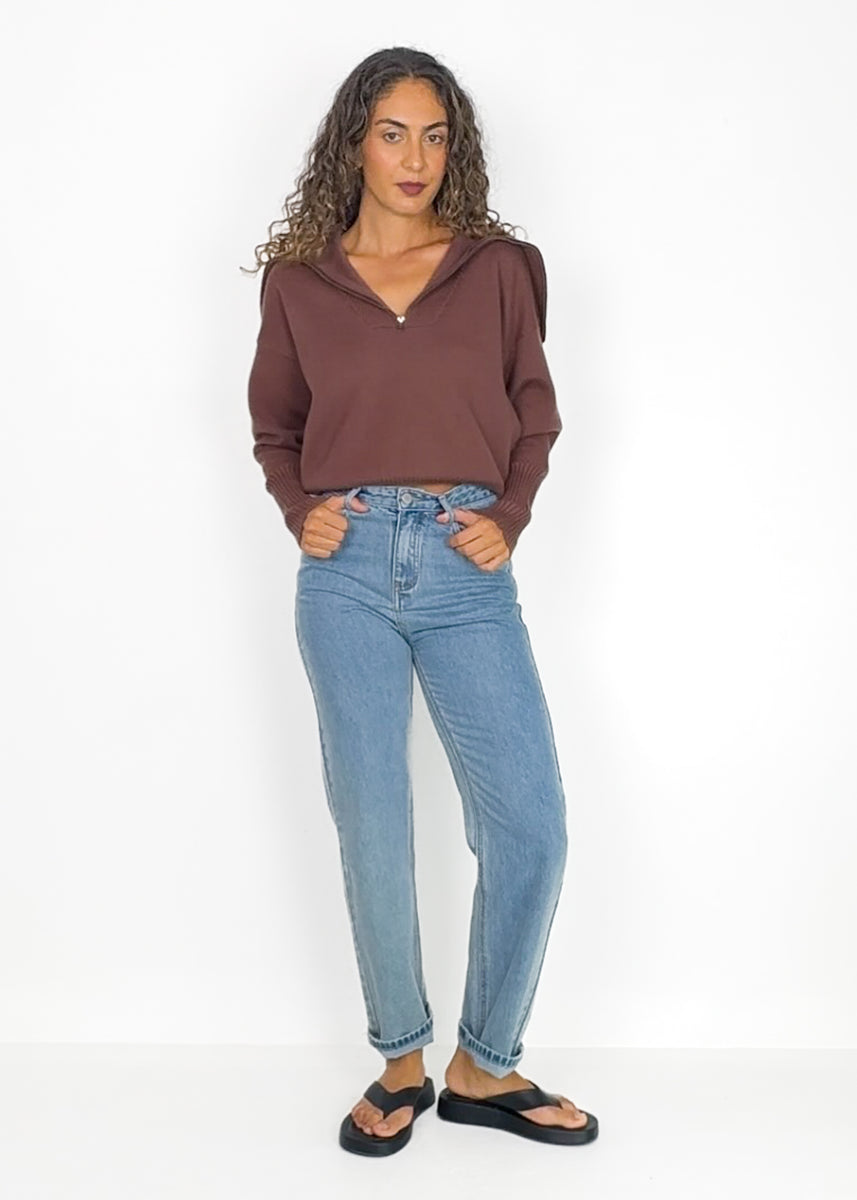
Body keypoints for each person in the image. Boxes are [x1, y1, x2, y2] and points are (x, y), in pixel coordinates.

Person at [244, 47, 598, 1156]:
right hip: (345, 569)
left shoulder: (498, 269)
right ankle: (401, 1057)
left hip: (462, 561)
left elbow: (533, 413)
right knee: (374, 822)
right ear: (353, 142)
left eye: (435, 136)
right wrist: (299, 507)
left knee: (530, 827)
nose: (415, 157)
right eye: (392, 132)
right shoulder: (298, 284)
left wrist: (512, 514)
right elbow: (275, 427)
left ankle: (483, 1065)